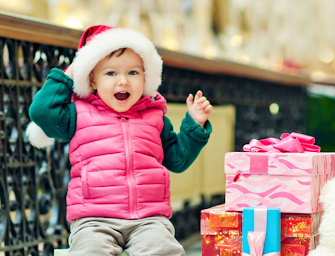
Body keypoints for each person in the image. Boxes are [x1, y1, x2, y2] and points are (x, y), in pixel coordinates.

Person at [26, 25, 212, 256]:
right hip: (95, 220)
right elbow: (41, 111)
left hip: (149, 219)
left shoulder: (154, 118)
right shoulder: (78, 114)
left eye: (133, 72)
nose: (123, 81)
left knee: (165, 250)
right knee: (89, 251)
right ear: (92, 81)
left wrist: (195, 125)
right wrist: (76, 69)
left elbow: (176, 159)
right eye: (111, 73)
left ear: (146, 78)